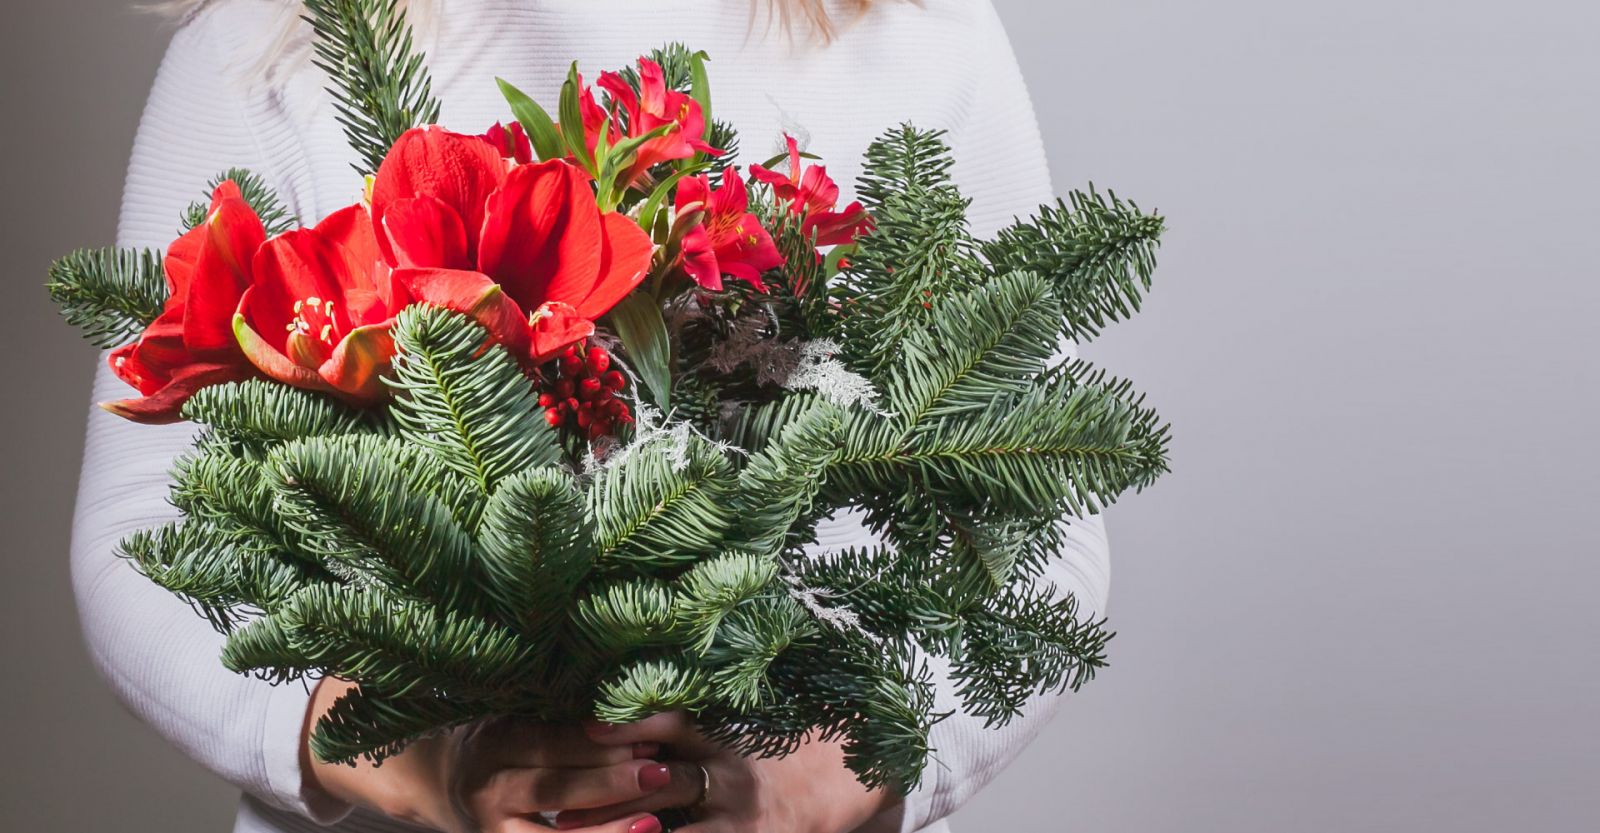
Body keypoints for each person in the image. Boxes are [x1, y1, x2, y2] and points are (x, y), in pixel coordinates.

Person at [71, 1, 1112, 831]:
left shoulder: (919, 26)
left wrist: (824, 775)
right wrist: (422, 761)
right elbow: (140, 539)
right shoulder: (268, 32)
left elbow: (1041, 518)